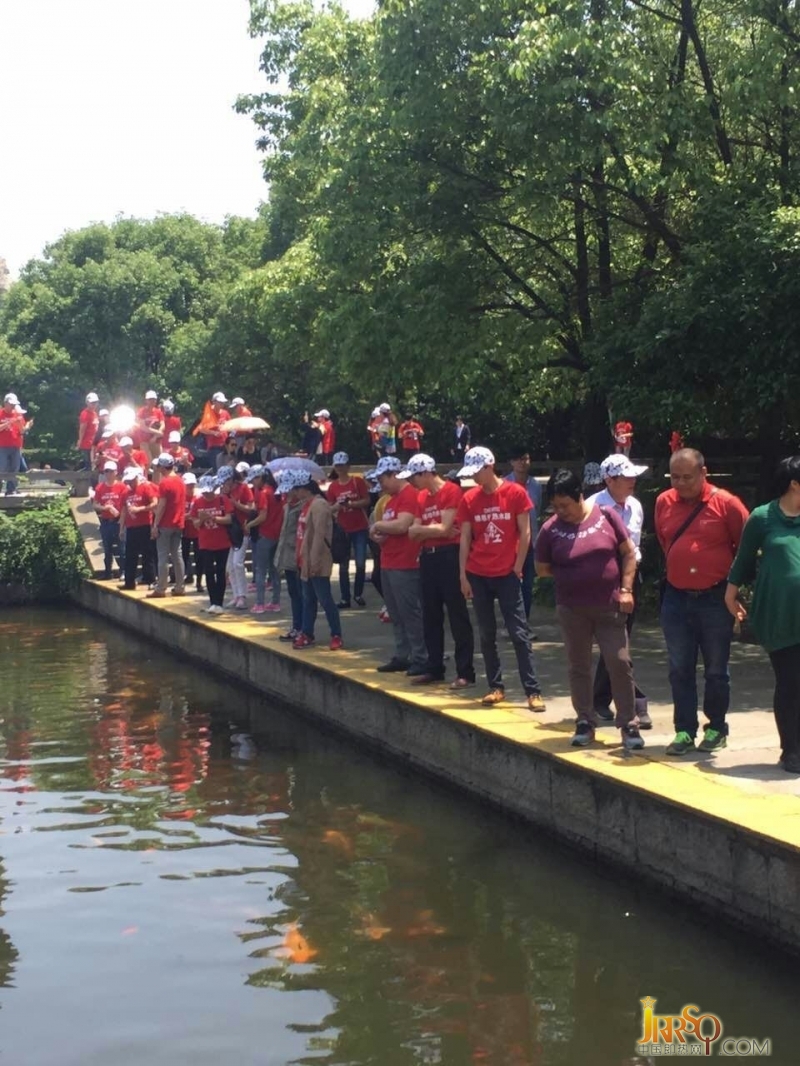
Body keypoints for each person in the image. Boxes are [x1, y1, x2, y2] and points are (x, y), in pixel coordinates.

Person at [536, 468, 643, 749]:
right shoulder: (550, 530)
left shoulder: (606, 516)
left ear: (579, 496)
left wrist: (626, 589)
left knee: (619, 662)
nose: (560, 511)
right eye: (555, 506)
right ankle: (585, 720)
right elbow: (542, 568)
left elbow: (628, 553)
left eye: (565, 505)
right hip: (573, 608)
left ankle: (629, 724)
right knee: (578, 666)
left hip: (609, 606)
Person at [655, 448, 749, 755]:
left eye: (687, 477)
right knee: (679, 667)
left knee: (716, 670)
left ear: (703, 474)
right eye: (675, 477)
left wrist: (734, 592)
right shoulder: (663, 502)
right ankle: (684, 730)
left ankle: (717, 728)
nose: (680, 484)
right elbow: (664, 540)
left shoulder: (727, 503)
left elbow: (745, 549)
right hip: (676, 597)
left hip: (714, 597)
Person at [457, 446, 546, 712]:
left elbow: (525, 532)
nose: (473, 478)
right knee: (486, 634)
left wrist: (517, 566)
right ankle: (495, 686)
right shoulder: (469, 499)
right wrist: (462, 575)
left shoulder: (515, 493)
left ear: (489, 466)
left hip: (507, 573)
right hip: (478, 572)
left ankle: (533, 690)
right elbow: (464, 538)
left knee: (519, 633)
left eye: (476, 472)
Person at [726, 457, 800, 773]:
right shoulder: (763, 517)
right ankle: (792, 750)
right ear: (795, 484)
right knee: (790, 681)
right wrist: (731, 593)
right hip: (780, 615)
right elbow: (743, 560)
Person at [587, 455, 650, 728]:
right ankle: (635, 702)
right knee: (615, 644)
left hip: (629, 579)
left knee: (620, 642)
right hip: (601, 582)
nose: (633, 481)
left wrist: (628, 585)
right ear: (609, 480)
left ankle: (600, 697)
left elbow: (633, 548)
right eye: (626, 477)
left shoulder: (635, 505)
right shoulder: (592, 506)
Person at [405, 454, 475, 687]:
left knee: (457, 614)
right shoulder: (421, 496)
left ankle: (465, 671)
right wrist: (431, 530)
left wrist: (427, 530)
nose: (413, 482)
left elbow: (445, 529)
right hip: (428, 556)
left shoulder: (451, 491)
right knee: (430, 614)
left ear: (425, 473)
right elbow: (413, 530)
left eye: (414, 476)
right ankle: (434, 666)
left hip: (448, 557)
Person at [369, 455, 427, 674]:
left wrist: (379, 526)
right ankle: (403, 654)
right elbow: (390, 528)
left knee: (410, 613)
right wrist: (380, 533)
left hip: (406, 563)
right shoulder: (391, 499)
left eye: (383, 479)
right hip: (389, 560)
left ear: (394, 475)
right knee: (396, 613)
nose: (381, 485)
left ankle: (420, 656)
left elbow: (403, 525)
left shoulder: (409, 495)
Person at [291, 472, 343, 650]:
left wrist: (313, 561)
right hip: (304, 560)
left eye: (297, 490)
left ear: (305, 489)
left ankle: (336, 634)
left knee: (325, 599)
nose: (295, 493)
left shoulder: (319, 505)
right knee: (308, 599)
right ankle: (307, 633)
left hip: (317, 561)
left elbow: (319, 535)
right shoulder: (306, 505)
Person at [326, 452, 370, 608]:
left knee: (360, 562)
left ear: (348, 466)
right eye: (337, 466)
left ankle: (358, 593)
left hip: (359, 527)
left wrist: (350, 504)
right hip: (343, 529)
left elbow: (366, 501)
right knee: (343, 565)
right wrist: (338, 506)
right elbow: (329, 508)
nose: (340, 468)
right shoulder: (333, 487)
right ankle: (345, 597)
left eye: (342, 465)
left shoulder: (357, 482)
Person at [504, 446, 542, 621]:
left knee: (527, 586)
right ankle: (510, 622)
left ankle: (524, 623)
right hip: (509, 546)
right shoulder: (504, 485)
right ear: (511, 462)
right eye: (519, 459)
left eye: (526, 458)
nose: (522, 462)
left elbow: (537, 511)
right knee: (509, 585)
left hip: (530, 544)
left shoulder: (535, 485)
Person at [190, 475, 231, 614]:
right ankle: (213, 602)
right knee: (209, 572)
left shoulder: (222, 500)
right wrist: (201, 520)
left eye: (210, 491)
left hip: (222, 542)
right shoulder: (198, 502)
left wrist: (213, 518)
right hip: (205, 542)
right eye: (205, 492)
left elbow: (229, 519)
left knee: (220, 571)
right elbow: (195, 524)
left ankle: (219, 602)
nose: (207, 494)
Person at [148, 453, 187, 599]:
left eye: (158, 466)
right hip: (179, 523)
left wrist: (155, 524)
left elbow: (162, 505)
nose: (157, 468)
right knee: (177, 555)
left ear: (162, 467)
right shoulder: (180, 481)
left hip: (166, 523)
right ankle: (180, 586)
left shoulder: (165, 483)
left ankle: (161, 588)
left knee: (163, 556)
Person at [246, 466, 284, 614]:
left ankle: (260, 603)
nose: (253, 483)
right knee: (274, 570)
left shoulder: (264, 493)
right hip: (276, 535)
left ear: (260, 478)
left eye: (255, 479)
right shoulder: (277, 492)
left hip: (265, 535)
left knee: (261, 570)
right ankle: (275, 601)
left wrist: (249, 524)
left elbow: (262, 516)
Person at [274, 471, 305, 642]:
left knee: (302, 594)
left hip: (299, 555)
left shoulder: (303, 507)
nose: (285, 495)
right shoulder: (287, 507)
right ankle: (296, 626)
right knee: (293, 593)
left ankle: (303, 628)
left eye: (288, 491)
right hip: (287, 555)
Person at [218, 464, 253, 610]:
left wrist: (235, 504)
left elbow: (251, 509)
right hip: (230, 531)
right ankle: (236, 594)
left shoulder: (243, 488)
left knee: (238, 563)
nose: (225, 484)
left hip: (242, 529)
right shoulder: (223, 491)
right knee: (229, 566)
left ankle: (242, 596)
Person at [118, 467, 158, 590]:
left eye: (131, 480)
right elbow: (124, 510)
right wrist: (121, 528)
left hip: (145, 525)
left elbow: (155, 503)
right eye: (128, 481)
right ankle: (129, 582)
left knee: (148, 554)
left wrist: (140, 509)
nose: (129, 483)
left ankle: (151, 579)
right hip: (131, 527)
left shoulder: (145, 488)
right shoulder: (126, 493)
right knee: (131, 555)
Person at [93, 460, 126, 579]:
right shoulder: (100, 487)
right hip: (106, 521)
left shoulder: (121, 486)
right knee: (107, 548)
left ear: (116, 472)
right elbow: (95, 505)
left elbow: (125, 504)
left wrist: (120, 514)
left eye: (111, 471)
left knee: (122, 548)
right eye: (106, 471)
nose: (108, 473)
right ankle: (108, 573)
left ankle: (123, 572)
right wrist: (105, 507)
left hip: (118, 521)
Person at [0, 393, 26, 496]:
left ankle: (11, 489)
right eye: (10, 404)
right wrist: (8, 423)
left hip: (15, 445)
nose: (12, 407)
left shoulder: (18, 414)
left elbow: (22, 431)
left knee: (14, 468)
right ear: (5, 403)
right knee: (2, 467)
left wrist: (19, 423)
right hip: (2, 446)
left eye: (14, 405)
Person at [181, 472, 202, 592]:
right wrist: (189, 515)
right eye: (188, 485)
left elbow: (199, 513)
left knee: (199, 558)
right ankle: (185, 577)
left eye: (192, 485)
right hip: (185, 530)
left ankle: (198, 581)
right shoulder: (181, 497)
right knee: (183, 556)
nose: (190, 487)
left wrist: (188, 515)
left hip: (197, 531)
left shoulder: (198, 497)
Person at [201, 392, 232, 465]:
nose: (222, 404)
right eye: (220, 402)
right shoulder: (208, 414)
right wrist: (213, 433)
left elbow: (230, 425)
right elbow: (202, 429)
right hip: (214, 446)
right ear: (214, 402)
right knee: (217, 467)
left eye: (223, 402)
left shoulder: (225, 413)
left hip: (225, 445)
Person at [135, 390, 165, 460]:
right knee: (148, 461)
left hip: (156, 441)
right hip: (144, 441)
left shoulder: (158, 412)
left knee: (158, 461)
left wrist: (155, 436)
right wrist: (158, 432)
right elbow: (143, 427)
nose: (152, 401)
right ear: (146, 400)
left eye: (154, 399)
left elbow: (162, 425)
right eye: (150, 400)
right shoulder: (141, 411)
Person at [76, 392, 100, 470]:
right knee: (88, 465)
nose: (94, 405)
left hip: (94, 443)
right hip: (87, 444)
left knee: (93, 464)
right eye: (92, 403)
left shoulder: (94, 414)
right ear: (87, 403)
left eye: (95, 403)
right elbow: (82, 429)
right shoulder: (85, 414)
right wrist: (80, 441)